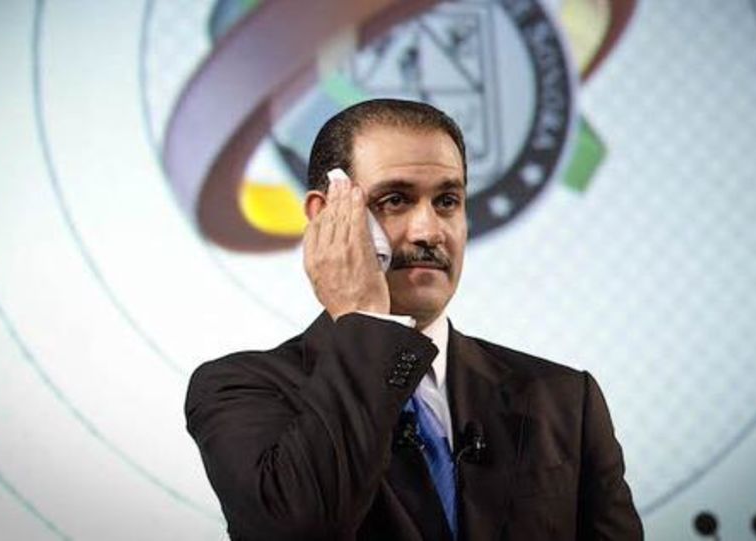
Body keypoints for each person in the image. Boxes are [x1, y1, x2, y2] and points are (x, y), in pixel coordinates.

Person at [185, 99, 643, 540]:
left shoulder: (565, 398)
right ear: (327, 217)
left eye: (447, 201)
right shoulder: (238, 388)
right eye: (395, 200)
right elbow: (297, 530)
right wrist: (363, 318)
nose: (429, 231)